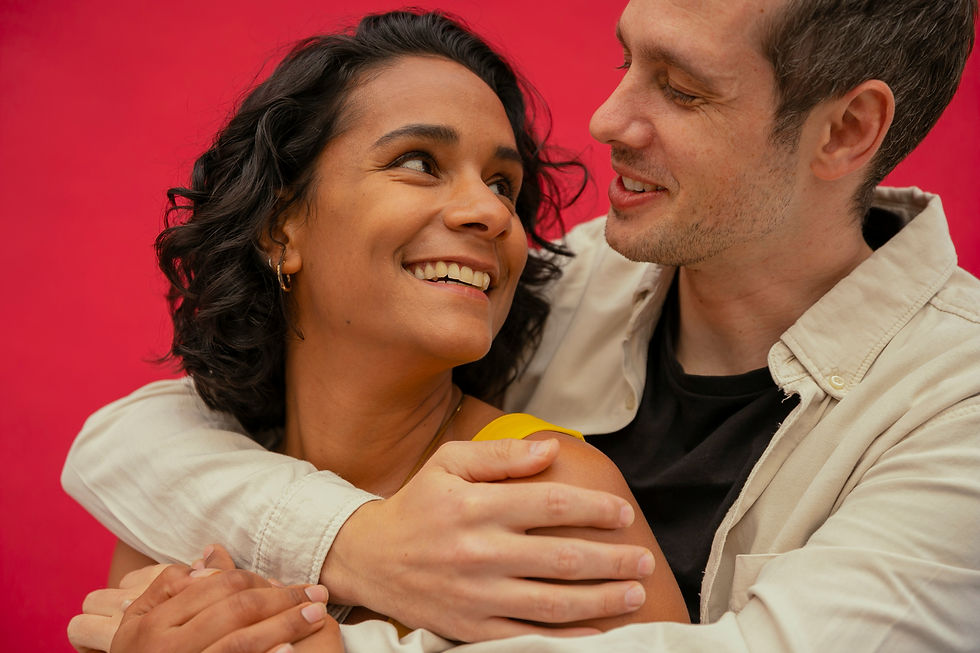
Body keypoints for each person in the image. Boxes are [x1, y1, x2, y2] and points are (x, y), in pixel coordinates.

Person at [64, 0, 980, 651]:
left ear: (845, 130)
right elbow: (124, 445)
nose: (607, 119)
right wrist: (361, 542)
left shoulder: (957, 407)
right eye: (626, 61)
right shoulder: (565, 279)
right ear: (281, 225)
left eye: (682, 88)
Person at [66, 9, 691, 652]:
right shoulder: (177, 519)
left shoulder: (546, 498)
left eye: (502, 185)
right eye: (419, 162)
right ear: (280, 229)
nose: (490, 212)